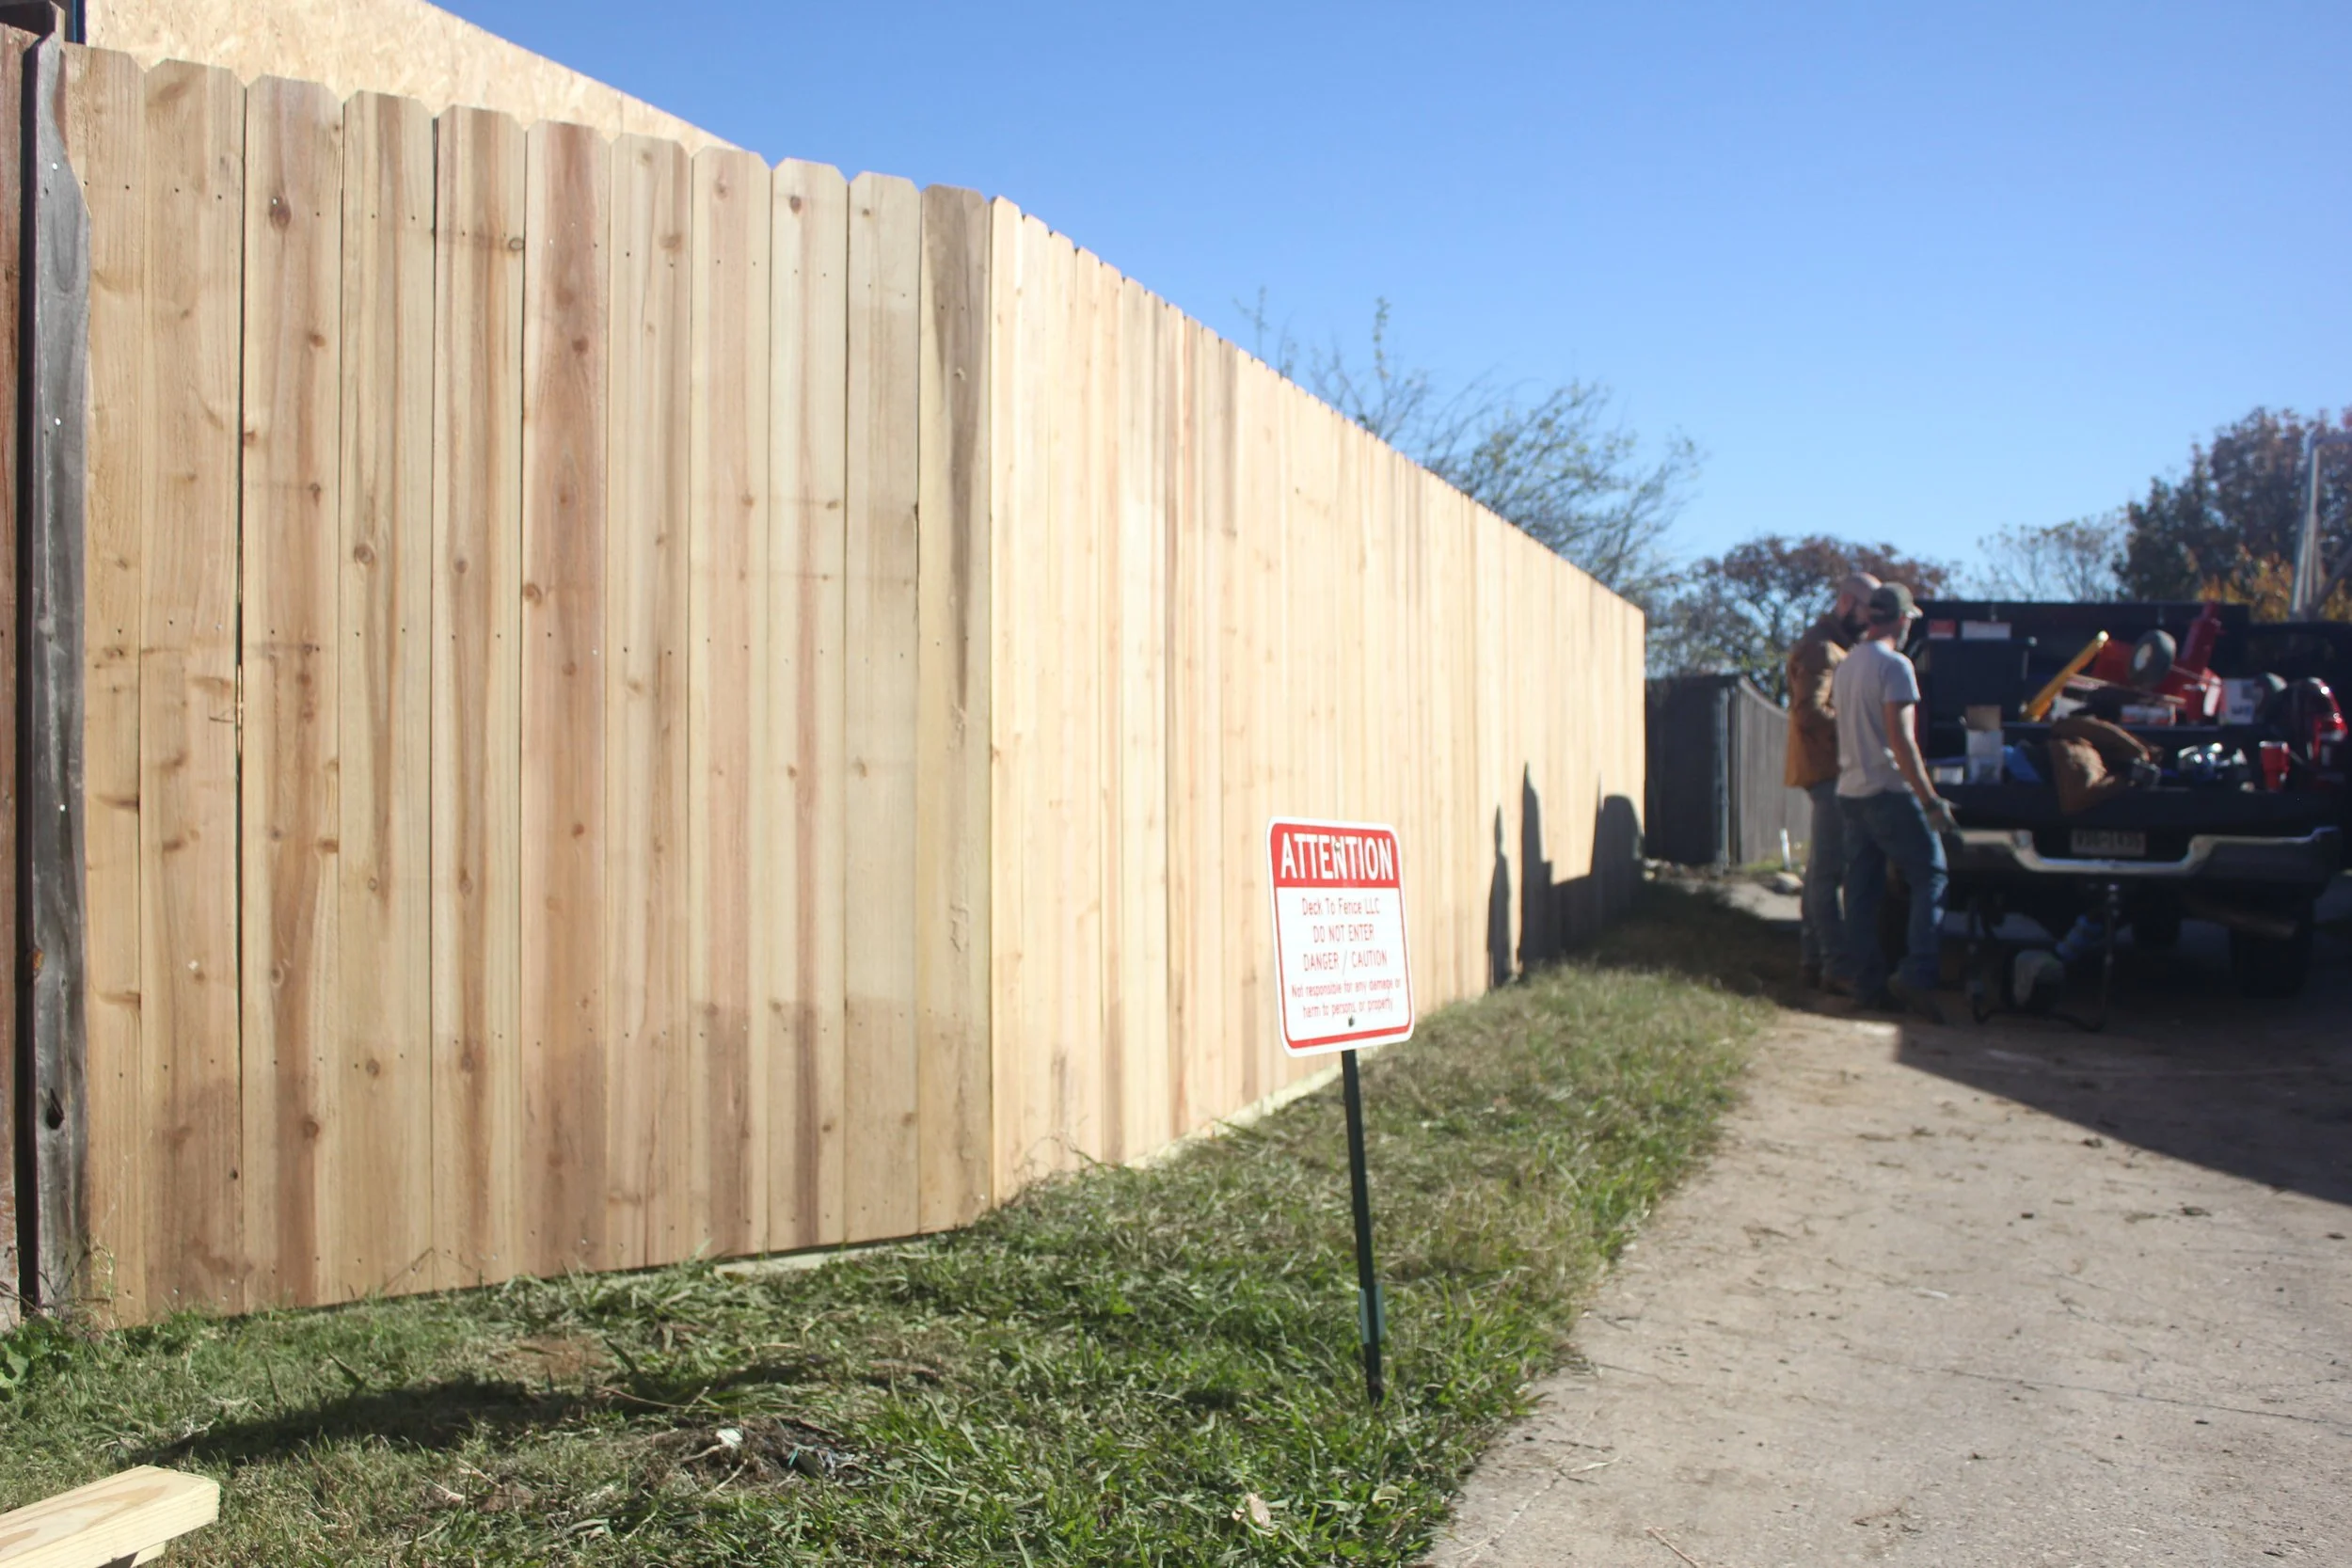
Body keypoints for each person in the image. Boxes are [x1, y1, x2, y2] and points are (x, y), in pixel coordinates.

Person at [1832, 582, 1957, 1022]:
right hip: (1887, 790)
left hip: (1850, 791)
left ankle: (1867, 987)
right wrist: (1930, 801)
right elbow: (1902, 742)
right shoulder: (1896, 666)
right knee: (1932, 875)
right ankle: (1917, 974)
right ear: (1901, 620)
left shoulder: (1846, 667)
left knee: (1862, 893)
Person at [1784, 571, 1879, 990]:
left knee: (1822, 869)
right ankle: (1834, 966)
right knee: (1828, 873)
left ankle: (1812, 961)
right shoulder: (1824, 648)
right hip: (1829, 773)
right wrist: (1860, 727)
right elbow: (1810, 712)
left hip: (1830, 770)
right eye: (1866, 609)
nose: (1871, 619)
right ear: (1845, 603)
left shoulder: (1837, 645)